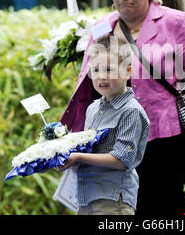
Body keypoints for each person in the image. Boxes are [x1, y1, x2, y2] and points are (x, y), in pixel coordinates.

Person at [61, 0, 185, 215]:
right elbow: (85, 84)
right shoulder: (101, 28)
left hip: (166, 140)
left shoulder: (174, 23)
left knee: (170, 211)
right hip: (113, 143)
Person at [59, 35, 150, 215]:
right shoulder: (92, 108)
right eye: (96, 70)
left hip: (113, 200)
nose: (101, 76)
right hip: (86, 196)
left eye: (109, 69)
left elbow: (121, 159)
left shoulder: (131, 111)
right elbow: (88, 149)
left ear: (127, 71)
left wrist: (78, 157)